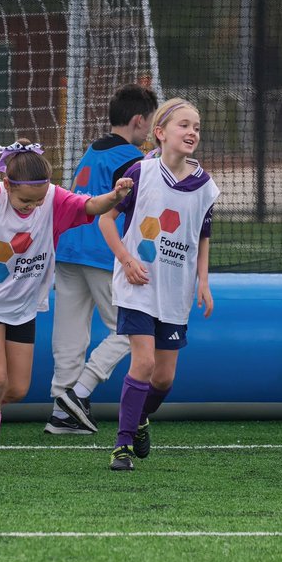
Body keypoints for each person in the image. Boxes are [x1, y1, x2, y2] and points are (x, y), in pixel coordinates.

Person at [0, 103, 133, 472]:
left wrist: (116, 196)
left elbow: (91, 205)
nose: (32, 206)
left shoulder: (53, 199)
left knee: (13, 390)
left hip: (21, 307)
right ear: (7, 186)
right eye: (24, 200)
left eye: (39, 198)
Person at [98, 98, 220, 471]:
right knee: (145, 361)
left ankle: (139, 419)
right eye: (184, 125)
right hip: (139, 284)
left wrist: (203, 280)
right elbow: (106, 220)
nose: (192, 133)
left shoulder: (206, 187)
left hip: (176, 291)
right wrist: (127, 260)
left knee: (164, 379)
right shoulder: (140, 172)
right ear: (160, 133)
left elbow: (202, 235)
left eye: (196, 127)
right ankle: (121, 446)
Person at [46, 83, 158, 435]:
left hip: (67, 249)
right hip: (101, 253)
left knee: (69, 332)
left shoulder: (92, 150)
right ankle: (80, 392)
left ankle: (61, 411)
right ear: (139, 121)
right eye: (151, 124)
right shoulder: (133, 161)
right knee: (128, 330)